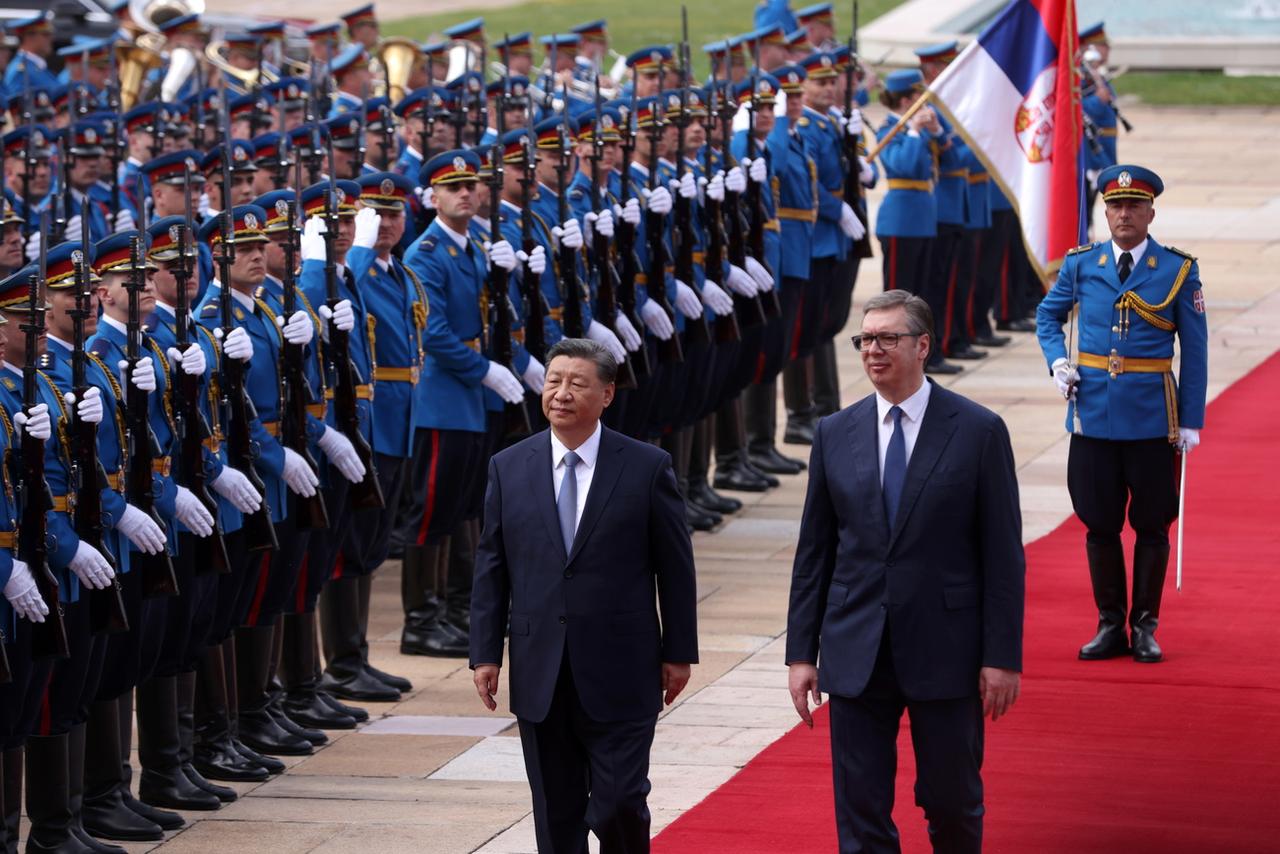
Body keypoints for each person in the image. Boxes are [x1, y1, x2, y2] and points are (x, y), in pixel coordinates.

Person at [786, 289, 1025, 852]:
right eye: (865, 339)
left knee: (951, 800)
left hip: (946, 648)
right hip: (855, 647)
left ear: (922, 345)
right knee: (860, 809)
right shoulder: (834, 433)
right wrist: (801, 653)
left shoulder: (977, 431)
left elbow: (1003, 556)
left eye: (887, 338)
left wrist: (1002, 657)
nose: (873, 350)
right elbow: (814, 552)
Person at [470, 338, 698, 854]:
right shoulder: (509, 466)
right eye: (553, 381)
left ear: (607, 393)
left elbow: (675, 568)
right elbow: (492, 565)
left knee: (619, 800)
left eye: (577, 384)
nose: (562, 394)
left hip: (623, 666)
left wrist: (679, 651)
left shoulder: (645, 466)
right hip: (541, 667)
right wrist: (485, 653)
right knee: (556, 810)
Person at [1037, 164, 1208, 664]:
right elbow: (1048, 316)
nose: (1124, 214)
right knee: (1099, 522)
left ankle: (1145, 626)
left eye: (1134, 206)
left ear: (1151, 212)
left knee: (1152, 525)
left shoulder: (1177, 270)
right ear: (1105, 212)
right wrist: (1058, 360)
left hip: (1154, 418)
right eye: (1115, 206)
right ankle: (1110, 623)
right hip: (1092, 415)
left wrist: (1191, 419)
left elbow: (1193, 351)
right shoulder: (1081, 264)